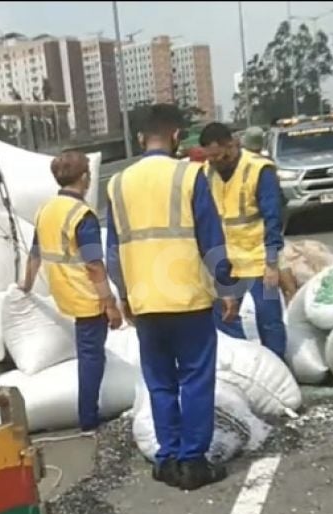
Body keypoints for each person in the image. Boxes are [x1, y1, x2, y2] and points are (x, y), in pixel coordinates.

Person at [106, 103, 238, 491]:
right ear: (178, 136)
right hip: (188, 300)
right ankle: (194, 462)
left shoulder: (117, 184)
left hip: (146, 303)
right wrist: (227, 288)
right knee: (196, 378)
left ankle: (168, 459)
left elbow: (114, 251)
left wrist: (125, 296)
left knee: (160, 381)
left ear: (140, 137)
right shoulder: (189, 175)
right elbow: (211, 240)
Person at [22, 151, 123, 432]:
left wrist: (25, 286)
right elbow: (93, 264)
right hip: (86, 295)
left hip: (63, 293)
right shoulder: (82, 215)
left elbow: (34, 253)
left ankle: (88, 412)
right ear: (85, 178)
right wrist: (110, 303)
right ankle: (89, 418)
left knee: (87, 353)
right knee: (92, 357)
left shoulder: (45, 210)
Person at [199, 122, 287, 360]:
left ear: (233, 144)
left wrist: (272, 262)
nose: (216, 162)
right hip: (226, 263)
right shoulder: (207, 173)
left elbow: (273, 217)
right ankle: (245, 367)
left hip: (259, 260)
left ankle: (277, 366)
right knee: (226, 317)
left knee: (269, 318)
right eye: (211, 157)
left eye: (219, 155)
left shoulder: (259, 170)